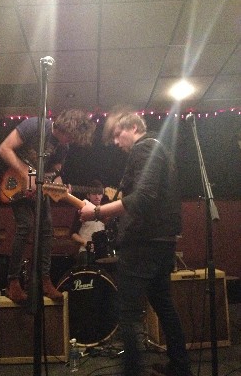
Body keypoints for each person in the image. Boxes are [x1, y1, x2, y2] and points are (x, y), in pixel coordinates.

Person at [79, 107, 193, 376]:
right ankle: (180, 366)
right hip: (162, 241)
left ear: (133, 127)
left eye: (118, 135)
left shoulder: (144, 149)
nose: (117, 143)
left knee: (127, 312)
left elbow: (142, 198)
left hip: (143, 243)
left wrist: (96, 212)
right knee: (163, 304)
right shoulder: (160, 149)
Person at [0, 109, 95, 303]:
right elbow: (4, 149)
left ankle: (44, 280)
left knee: (47, 232)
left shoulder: (63, 147)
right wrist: (26, 173)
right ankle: (13, 282)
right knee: (25, 226)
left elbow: (54, 171)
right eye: (71, 137)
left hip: (39, 190)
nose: (70, 142)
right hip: (15, 183)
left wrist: (58, 180)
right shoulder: (35, 125)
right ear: (67, 127)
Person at [70, 180, 105, 265]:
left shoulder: (104, 211)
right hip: (85, 252)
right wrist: (85, 243)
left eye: (99, 194)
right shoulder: (82, 209)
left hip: (101, 253)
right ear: (88, 195)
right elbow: (72, 234)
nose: (97, 196)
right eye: (94, 194)